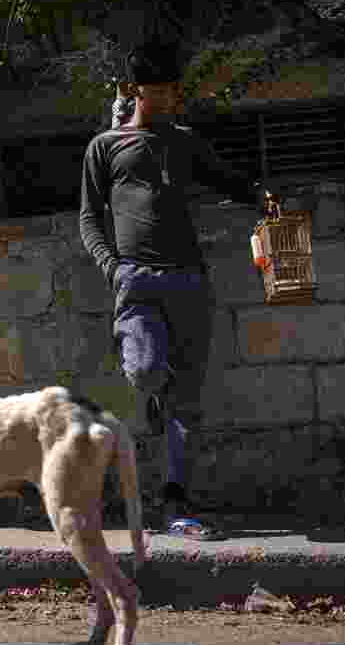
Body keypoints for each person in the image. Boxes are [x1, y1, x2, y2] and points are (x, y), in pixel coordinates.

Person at [80, 41, 261, 540]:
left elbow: (224, 179)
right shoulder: (106, 147)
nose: (166, 98)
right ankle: (157, 396)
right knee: (145, 370)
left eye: (171, 90)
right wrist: (112, 268)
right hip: (136, 280)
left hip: (189, 281)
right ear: (135, 90)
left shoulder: (184, 142)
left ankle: (176, 500)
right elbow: (89, 218)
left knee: (187, 401)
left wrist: (260, 196)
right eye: (156, 90)